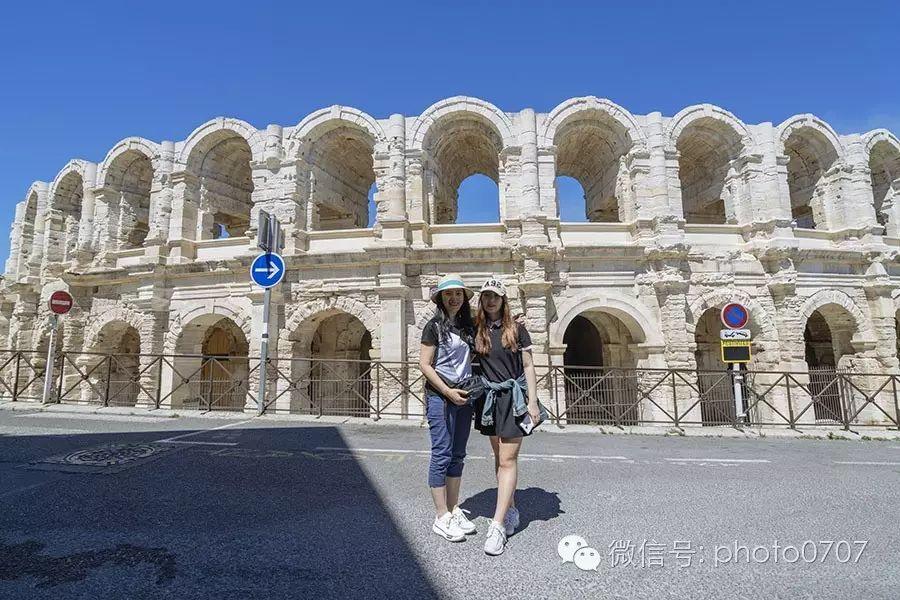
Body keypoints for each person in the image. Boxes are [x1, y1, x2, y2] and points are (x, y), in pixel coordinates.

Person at [473, 276, 543, 556]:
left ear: (503, 300)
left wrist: (533, 402)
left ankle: (498, 525)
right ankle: (511, 508)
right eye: (486, 296)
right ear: (482, 300)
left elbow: (528, 365)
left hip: (514, 400)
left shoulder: (517, 329)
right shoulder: (477, 329)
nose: (491, 300)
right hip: (490, 399)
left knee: (507, 459)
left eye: (496, 296)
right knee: (498, 459)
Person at [419, 273, 479, 542]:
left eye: (457, 294)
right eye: (448, 294)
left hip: (464, 395)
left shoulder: (469, 327)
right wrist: (446, 391)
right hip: (440, 396)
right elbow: (424, 364)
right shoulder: (433, 326)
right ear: (441, 299)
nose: (453, 298)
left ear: (464, 297)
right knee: (441, 453)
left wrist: (518, 322)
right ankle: (441, 516)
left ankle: (454, 509)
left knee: (458, 454)